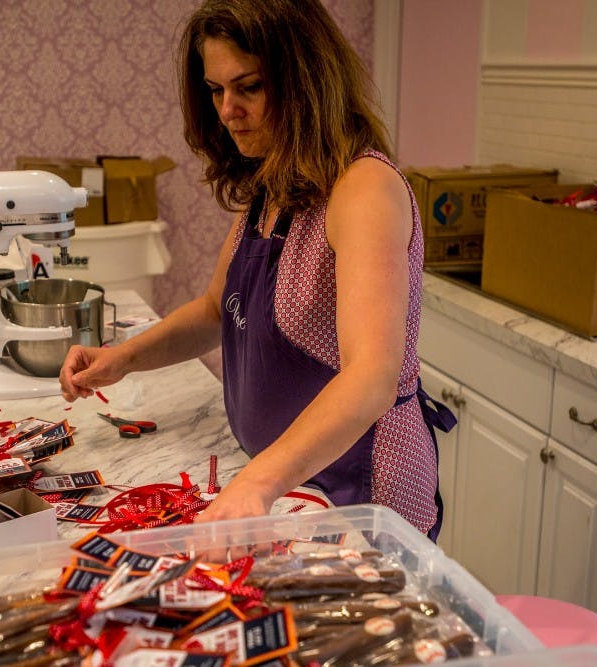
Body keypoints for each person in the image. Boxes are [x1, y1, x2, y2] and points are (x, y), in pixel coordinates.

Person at [59, 0, 454, 539]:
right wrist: (121, 359)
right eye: (215, 90)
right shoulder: (274, 186)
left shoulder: (363, 189)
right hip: (288, 485)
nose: (227, 110)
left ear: (307, 83)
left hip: (358, 492)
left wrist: (258, 482)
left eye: (249, 87)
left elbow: (372, 378)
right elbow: (213, 311)